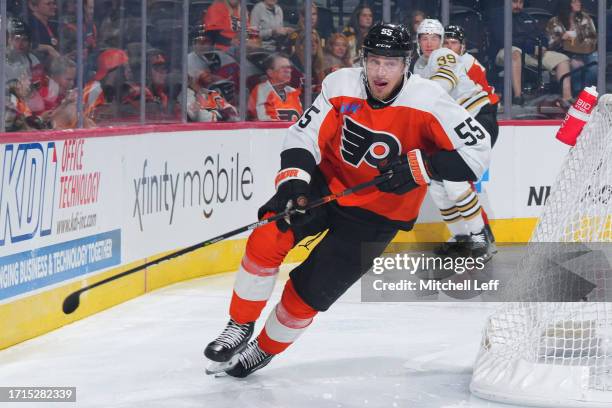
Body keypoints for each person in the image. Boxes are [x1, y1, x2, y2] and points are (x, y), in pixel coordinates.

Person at [204, 22, 491, 378]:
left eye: (390, 63)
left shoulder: (430, 101)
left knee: (307, 294)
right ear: (364, 60)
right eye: (374, 62)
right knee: (266, 237)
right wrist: (294, 180)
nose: (380, 71)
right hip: (328, 186)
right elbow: (304, 133)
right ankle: (239, 325)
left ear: (406, 64)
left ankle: (263, 348)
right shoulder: (340, 84)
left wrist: (422, 167)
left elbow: (478, 152)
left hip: (379, 215)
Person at [413, 19, 499, 259]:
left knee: (455, 182)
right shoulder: (418, 67)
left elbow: (443, 82)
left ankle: (480, 238)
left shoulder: (443, 55)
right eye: (424, 38)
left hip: (478, 120)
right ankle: (462, 237)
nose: (430, 43)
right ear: (417, 41)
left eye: (434, 38)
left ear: (441, 41)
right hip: (454, 127)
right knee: (437, 185)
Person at [489, 0, 572, 106]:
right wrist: (531, 48)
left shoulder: (527, 17)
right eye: (514, 2)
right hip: (503, 52)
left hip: (529, 53)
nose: (518, 6)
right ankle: (518, 96)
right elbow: (503, 40)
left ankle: (567, 98)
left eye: (520, 3)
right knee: (515, 52)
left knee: (562, 58)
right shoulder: (498, 17)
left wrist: (542, 46)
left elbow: (542, 36)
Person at [545, 0, 597, 95]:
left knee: (595, 64)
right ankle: (577, 93)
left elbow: (593, 38)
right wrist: (562, 38)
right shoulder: (554, 22)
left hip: (586, 51)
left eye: (579, 1)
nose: (578, 4)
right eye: (574, 2)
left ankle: (587, 93)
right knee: (576, 65)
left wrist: (579, 45)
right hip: (565, 54)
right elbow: (550, 45)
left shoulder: (585, 18)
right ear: (567, 4)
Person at [248, 54, 302, 121]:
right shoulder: (261, 90)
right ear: (270, 73)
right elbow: (263, 121)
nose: (288, 71)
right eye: (283, 68)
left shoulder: (293, 92)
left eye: (289, 67)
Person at [27, 0, 60, 65]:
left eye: (54, 3)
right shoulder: (27, 24)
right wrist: (47, 48)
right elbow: (23, 44)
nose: (54, 7)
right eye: (48, 4)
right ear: (33, 6)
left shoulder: (53, 25)